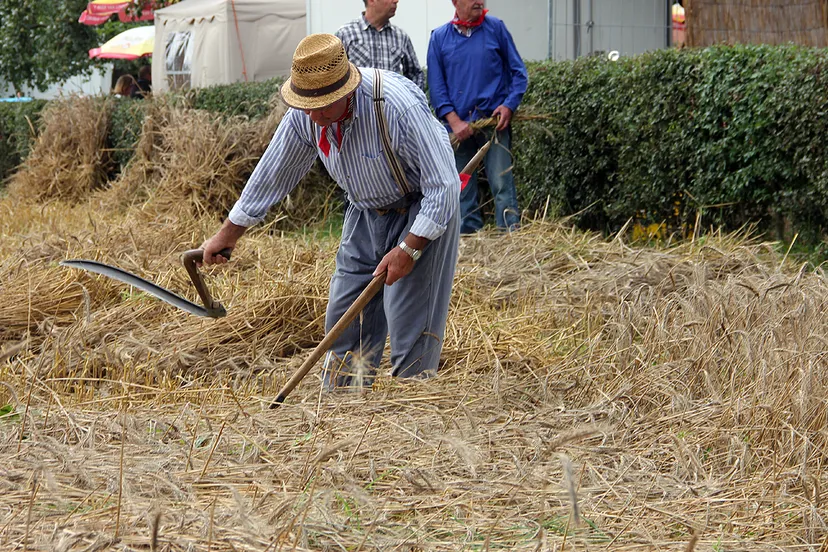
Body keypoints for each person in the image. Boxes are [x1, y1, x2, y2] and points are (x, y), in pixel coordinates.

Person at [201, 34, 460, 390]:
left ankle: (411, 402)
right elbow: (273, 173)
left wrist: (410, 249)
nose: (313, 115)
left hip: (420, 209)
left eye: (323, 106)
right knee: (345, 311)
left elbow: (444, 186)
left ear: (346, 91)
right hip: (365, 209)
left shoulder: (395, 106)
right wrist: (228, 233)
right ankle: (342, 406)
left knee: (409, 317)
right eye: (307, 105)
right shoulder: (307, 114)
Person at [427, 0, 528, 234]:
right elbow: (436, 86)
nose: (479, 1)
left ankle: (510, 235)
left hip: (494, 124)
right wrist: (454, 121)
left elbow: (519, 74)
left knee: (502, 181)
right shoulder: (439, 38)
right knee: (462, 187)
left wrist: (508, 106)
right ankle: (468, 238)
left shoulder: (496, 28)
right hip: (457, 129)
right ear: (455, 2)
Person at [335, 0, 425, 91]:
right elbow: (334, 74)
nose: (396, 1)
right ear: (371, 1)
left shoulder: (400, 36)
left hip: (391, 103)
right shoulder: (346, 34)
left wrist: (410, 97)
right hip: (358, 103)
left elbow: (415, 74)